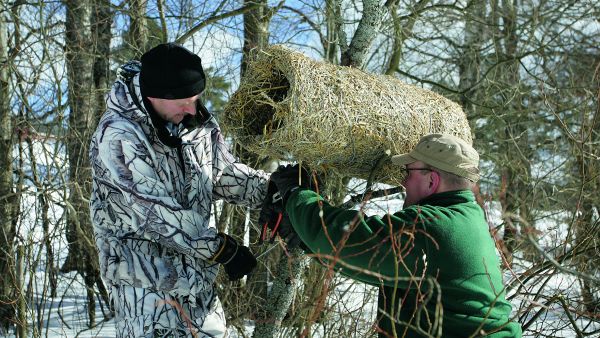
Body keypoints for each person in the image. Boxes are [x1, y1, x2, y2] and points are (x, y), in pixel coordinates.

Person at [89, 43, 269, 338]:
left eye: (196, 98)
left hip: (199, 282)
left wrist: (270, 189)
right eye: (184, 100)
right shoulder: (118, 135)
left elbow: (220, 173)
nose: (192, 108)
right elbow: (156, 215)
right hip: (147, 287)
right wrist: (221, 249)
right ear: (153, 95)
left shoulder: (193, 122)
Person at [269, 134, 523, 337]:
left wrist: (295, 194)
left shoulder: (433, 224)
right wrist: (306, 240)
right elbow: (373, 263)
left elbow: (347, 240)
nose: (403, 183)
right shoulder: (468, 216)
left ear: (432, 180)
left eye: (408, 173)